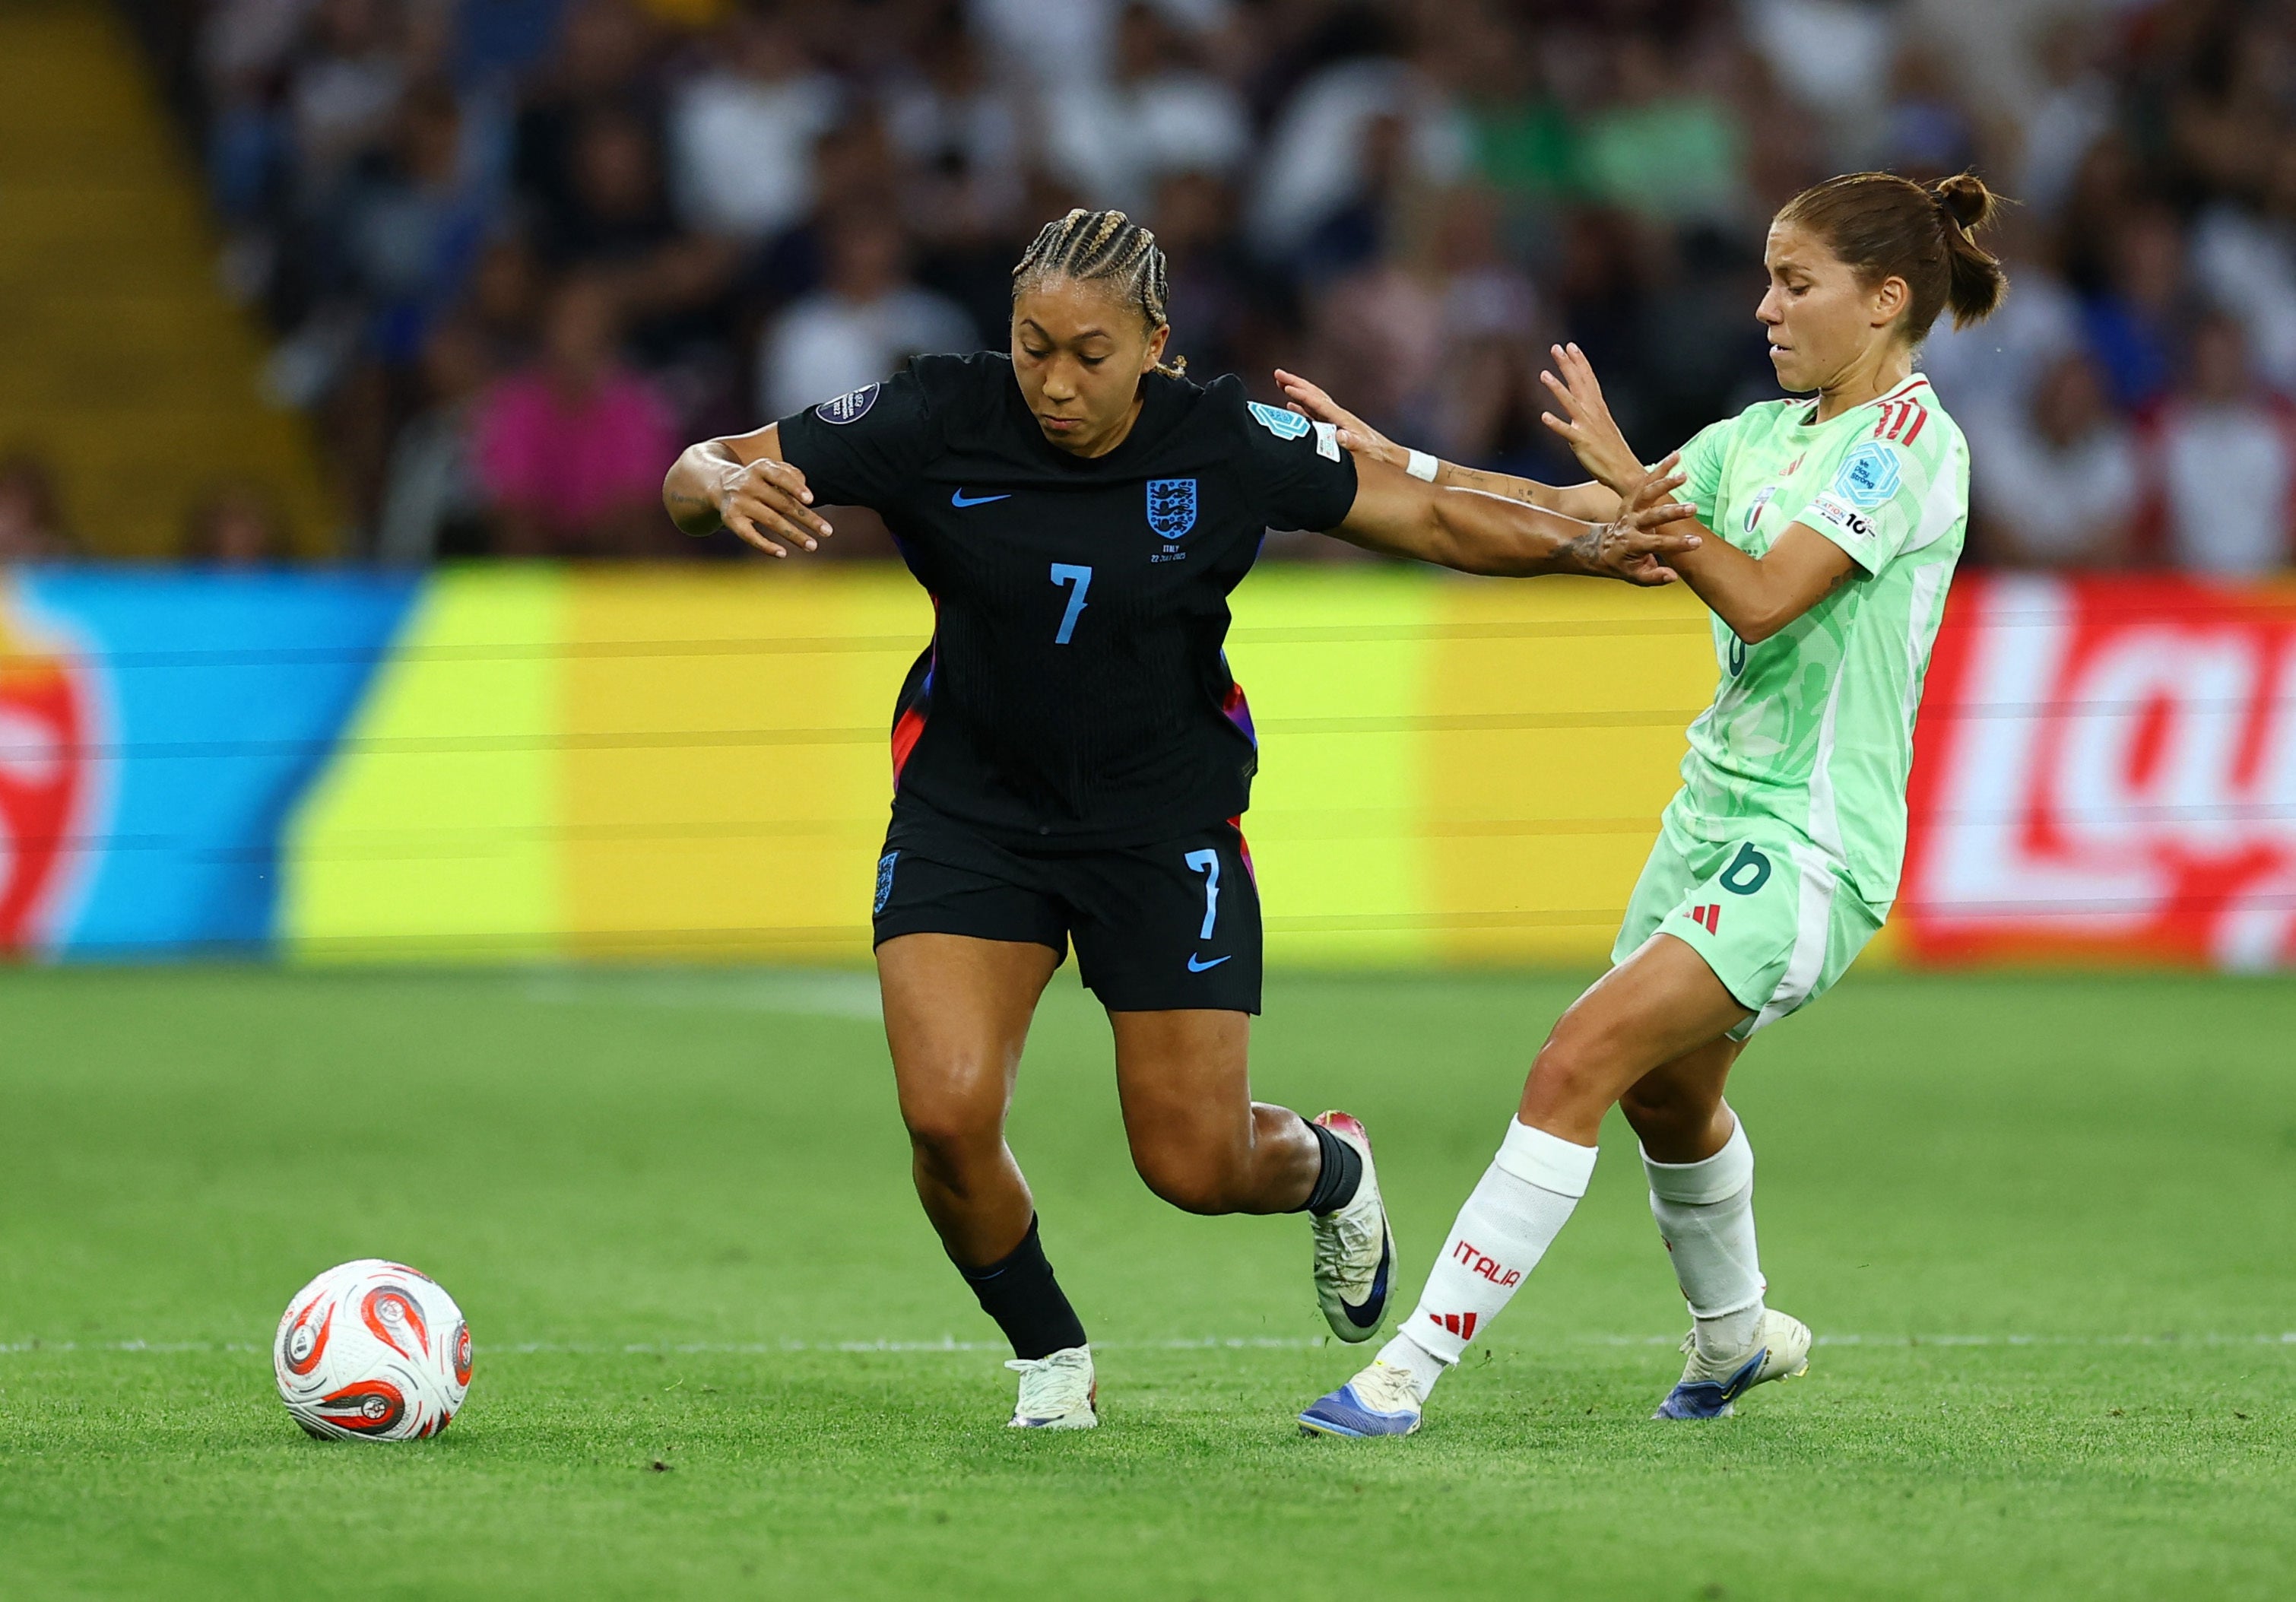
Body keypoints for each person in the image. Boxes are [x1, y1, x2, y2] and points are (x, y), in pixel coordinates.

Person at [662, 208, 1703, 1430]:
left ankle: (1332, 1167)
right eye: (1033, 345)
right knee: (945, 1115)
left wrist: (1586, 548)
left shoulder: (1224, 439)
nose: (1055, 382)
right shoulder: (937, 411)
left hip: (1164, 825)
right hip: (970, 813)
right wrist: (726, 485)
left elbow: (1420, 513)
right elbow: (697, 465)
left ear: (1156, 345)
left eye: (1089, 355)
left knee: (1195, 1166)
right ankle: (1050, 1354)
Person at [1284, 170, 2007, 1437]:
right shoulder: (1754, 438)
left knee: (1576, 1059)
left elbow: (1765, 597)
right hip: (1709, 821)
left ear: (1886, 300)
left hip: (1811, 845)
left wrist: (1632, 472)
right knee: (1667, 1097)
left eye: (1796, 283)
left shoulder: (1910, 446)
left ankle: (1403, 1374)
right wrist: (1397, 457)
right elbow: (1573, 510)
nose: (1765, 308)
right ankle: (1735, 1337)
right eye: (1768, 280)